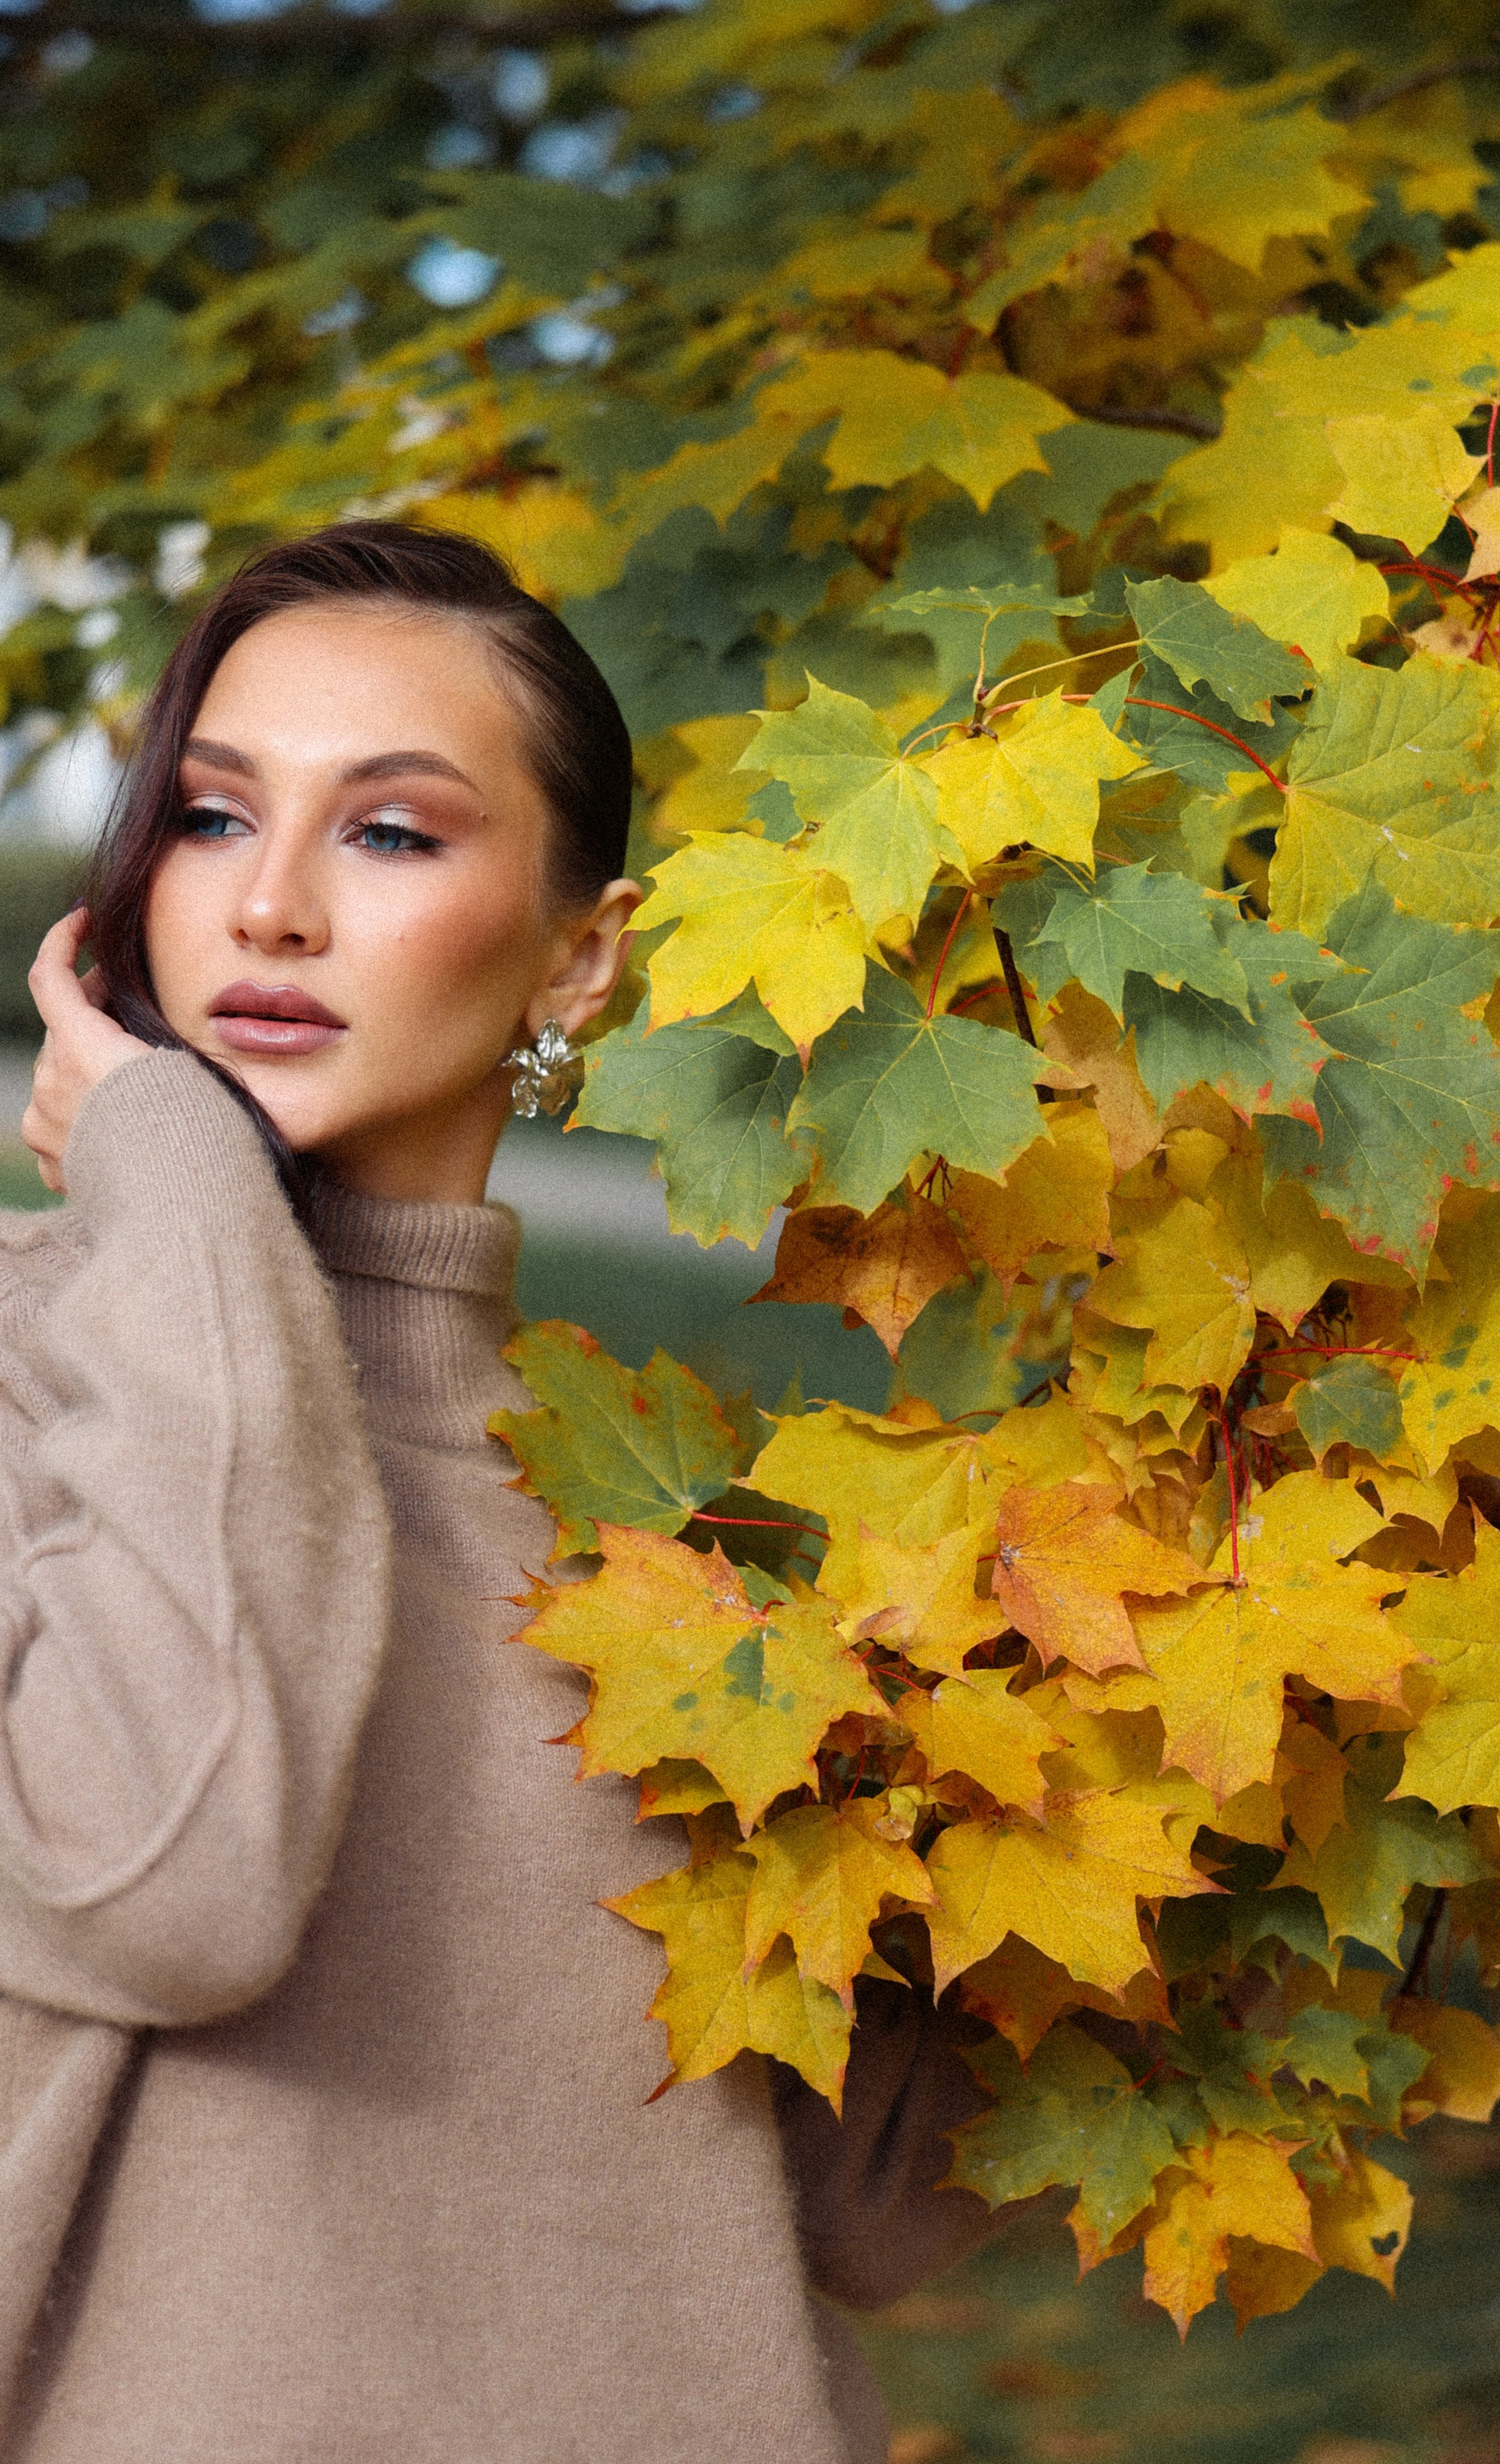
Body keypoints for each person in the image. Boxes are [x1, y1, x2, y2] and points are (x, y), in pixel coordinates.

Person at [0, 523, 992, 2463]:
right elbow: (168, 1888)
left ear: (581, 950)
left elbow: (887, 2211)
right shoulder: (28, 1384)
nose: (271, 906)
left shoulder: (690, 1528)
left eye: (390, 835)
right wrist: (175, 1184)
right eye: (211, 818)